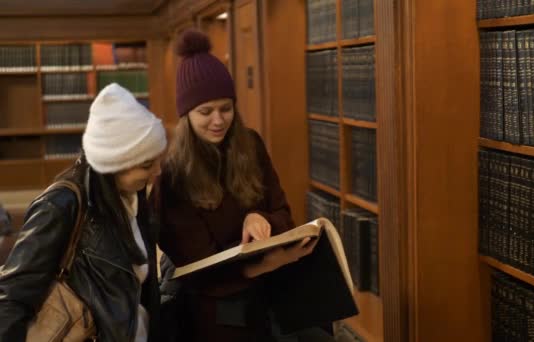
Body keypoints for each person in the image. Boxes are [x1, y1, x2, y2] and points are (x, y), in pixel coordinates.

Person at [153, 29, 321, 341]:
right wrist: (267, 263)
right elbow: (200, 271)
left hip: (274, 294)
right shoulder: (174, 178)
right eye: (205, 112)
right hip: (215, 313)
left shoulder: (252, 145)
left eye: (226, 108)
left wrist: (261, 218)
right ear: (186, 115)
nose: (218, 120)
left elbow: (284, 214)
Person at [0, 83, 167, 342]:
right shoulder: (61, 204)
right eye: (146, 165)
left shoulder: (133, 197)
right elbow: (12, 297)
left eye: (157, 160)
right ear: (114, 164)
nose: (157, 171)